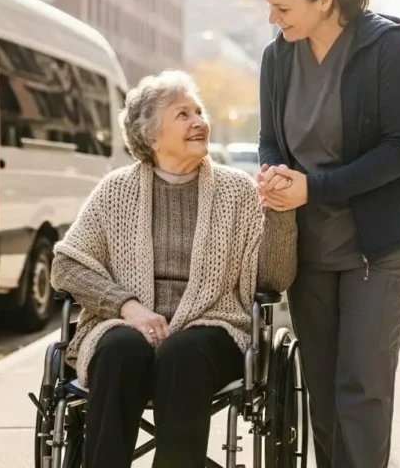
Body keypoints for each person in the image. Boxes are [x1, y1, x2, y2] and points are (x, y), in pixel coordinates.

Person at [254, 0, 400, 467]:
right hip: (309, 247)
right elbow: (270, 138)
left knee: (362, 390)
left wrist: (315, 188)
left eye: (283, 7)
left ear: (324, 1)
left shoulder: (385, 47)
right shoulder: (277, 57)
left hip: (377, 245)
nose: (273, 18)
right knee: (322, 389)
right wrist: (274, 172)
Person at [50, 70, 298, 468]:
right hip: (127, 325)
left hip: (213, 328)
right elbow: (66, 264)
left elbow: (273, 279)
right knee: (119, 350)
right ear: (151, 135)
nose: (199, 121)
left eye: (199, 112)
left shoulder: (237, 190)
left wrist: (280, 213)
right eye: (183, 114)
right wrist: (127, 307)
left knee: (182, 353)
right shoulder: (115, 190)